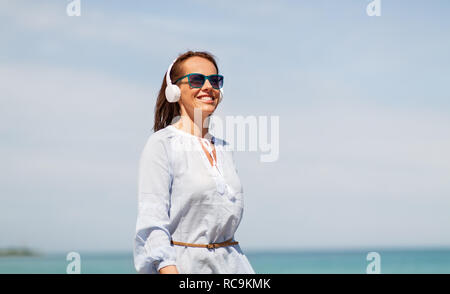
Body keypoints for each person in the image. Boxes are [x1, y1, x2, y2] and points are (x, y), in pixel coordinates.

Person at [133, 50, 255, 274]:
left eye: (215, 80)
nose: (208, 86)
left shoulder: (224, 148)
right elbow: (152, 225)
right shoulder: (162, 144)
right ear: (175, 90)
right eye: (197, 80)